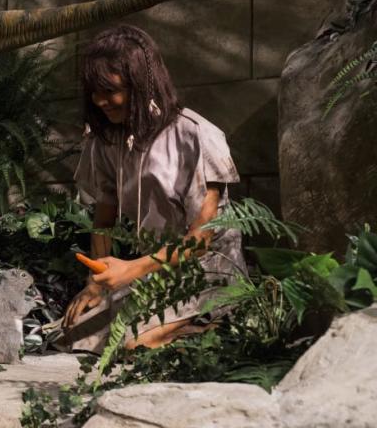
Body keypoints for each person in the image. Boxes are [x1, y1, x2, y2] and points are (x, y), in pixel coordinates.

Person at [60, 25, 246, 352]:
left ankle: (223, 323)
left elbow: (201, 241)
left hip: (205, 273)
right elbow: (104, 217)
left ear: (141, 85)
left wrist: (131, 269)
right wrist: (97, 283)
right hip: (154, 270)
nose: (101, 101)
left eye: (110, 89)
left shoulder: (196, 136)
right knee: (74, 334)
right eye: (95, 91)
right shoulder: (106, 140)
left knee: (136, 345)